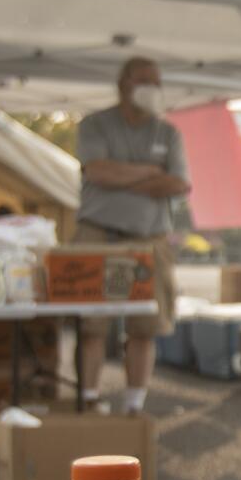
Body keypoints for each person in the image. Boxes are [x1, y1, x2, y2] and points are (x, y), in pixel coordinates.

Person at [74, 57, 190, 413]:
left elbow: (177, 183)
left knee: (145, 326)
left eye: (157, 82)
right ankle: (89, 399)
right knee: (91, 325)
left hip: (149, 239)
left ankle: (134, 403)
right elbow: (97, 172)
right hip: (98, 236)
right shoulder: (95, 125)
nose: (153, 89)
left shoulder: (167, 133)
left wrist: (123, 173)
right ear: (123, 84)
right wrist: (149, 173)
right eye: (144, 81)